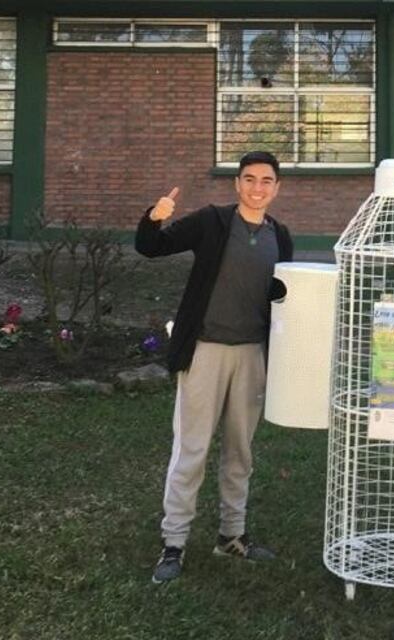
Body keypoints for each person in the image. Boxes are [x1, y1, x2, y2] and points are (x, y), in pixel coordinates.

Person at [135, 151, 293, 584]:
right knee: (192, 450)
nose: (257, 187)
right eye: (249, 179)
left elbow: (284, 301)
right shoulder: (212, 222)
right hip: (205, 351)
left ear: (276, 188)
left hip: (251, 356)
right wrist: (155, 216)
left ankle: (232, 536)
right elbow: (151, 247)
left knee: (240, 451)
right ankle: (174, 543)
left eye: (266, 181)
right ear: (237, 184)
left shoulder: (281, 235)